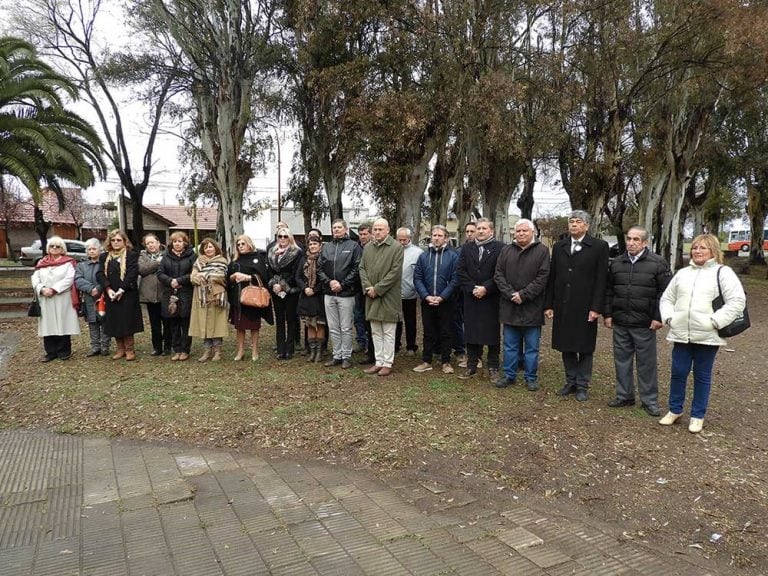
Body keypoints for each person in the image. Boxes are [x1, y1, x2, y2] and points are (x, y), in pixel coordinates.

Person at [658, 234, 746, 433]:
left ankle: (697, 415)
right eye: (695, 248)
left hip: (707, 335)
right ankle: (675, 409)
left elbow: (737, 301)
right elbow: (666, 299)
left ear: (713, 251)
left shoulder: (723, 273)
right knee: (678, 372)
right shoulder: (682, 273)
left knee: (702, 375)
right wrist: (670, 318)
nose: (697, 251)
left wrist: (716, 321)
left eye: (703, 248)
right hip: (681, 333)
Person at [604, 226, 671, 416]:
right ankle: (624, 395)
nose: (631, 243)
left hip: (644, 323)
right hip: (621, 322)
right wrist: (608, 314)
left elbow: (665, 293)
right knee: (622, 361)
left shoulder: (658, 263)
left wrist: (659, 317)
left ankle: (649, 400)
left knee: (646, 363)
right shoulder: (617, 263)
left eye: (636, 240)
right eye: (629, 239)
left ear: (645, 243)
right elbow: (609, 291)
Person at [544, 210, 609, 401]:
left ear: (586, 226)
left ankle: (582, 385)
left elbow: (601, 280)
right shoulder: (559, 246)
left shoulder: (599, 246)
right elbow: (552, 277)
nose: (573, 224)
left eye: (578, 222)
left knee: (585, 346)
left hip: (585, 305)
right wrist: (549, 304)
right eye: (571, 221)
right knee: (567, 345)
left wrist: (596, 307)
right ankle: (570, 381)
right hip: (563, 304)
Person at [494, 219, 550, 390]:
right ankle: (509, 375)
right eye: (518, 231)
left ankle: (530, 377)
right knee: (510, 345)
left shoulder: (542, 251)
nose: (521, 234)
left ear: (532, 232)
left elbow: (542, 277)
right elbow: (498, 275)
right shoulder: (506, 250)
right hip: (509, 306)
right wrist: (511, 294)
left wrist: (524, 295)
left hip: (531, 308)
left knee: (532, 347)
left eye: (525, 231)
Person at [456, 218, 503, 381]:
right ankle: (472, 365)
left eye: (484, 228)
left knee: (491, 334)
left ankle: (493, 366)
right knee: (471, 332)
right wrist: (473, 288)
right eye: (478, 228)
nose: (480, 231)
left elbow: (500, 273)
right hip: (471, 297)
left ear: (491, 231)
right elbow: (461, 271)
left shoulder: (500, 248)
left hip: (491, 298)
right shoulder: (467, 248)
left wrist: (486, 288)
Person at [359, 218, 404, 377]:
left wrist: (377, 289)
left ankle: (387, 362)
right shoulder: (368, 248)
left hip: (388, 296)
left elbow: (395, 273)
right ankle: (378, 362)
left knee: (389, 331)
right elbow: (362, 268)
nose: (377, 232)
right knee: (375, 331)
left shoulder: (397, 247)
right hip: (371, 295)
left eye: (380, 229)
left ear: (388, 230)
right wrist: (368, 287)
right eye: (375, 229)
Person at [413, 225, 459, 374]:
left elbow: (455, 279)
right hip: (427, 301)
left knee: (446, 332)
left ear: (446, 238)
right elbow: (418, 277)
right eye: (434, 235)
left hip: (445, 301)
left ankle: (446, 361)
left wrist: (442, 297)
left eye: (440, 235)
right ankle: (426, 360)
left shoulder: (453, 256)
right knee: (428, 332)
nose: (436, 238)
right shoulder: (424, 256)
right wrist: (426, 296)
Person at [318, 219, 362, 369]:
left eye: (339, 227)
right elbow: (319, 268)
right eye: (334, 227)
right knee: (333, 327)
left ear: (346, 229)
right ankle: (336, 355)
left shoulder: (354, 246)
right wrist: (330, 282)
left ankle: (346, 356)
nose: (336, 230)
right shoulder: (326, 247)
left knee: (345, 327)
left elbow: (356, 268)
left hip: (346, 294)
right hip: (329, 293)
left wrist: (342, 284)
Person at [31, 236, 81, 361]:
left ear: (62, 248)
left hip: (62, 297)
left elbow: (69, 279)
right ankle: (50, 352)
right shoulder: (42, 262)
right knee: (48, 324)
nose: (54, 248)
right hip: (46, 298)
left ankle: (64, 350)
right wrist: (42, 289)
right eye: (52, 246)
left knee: (62, 322)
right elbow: (35, 278)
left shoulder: (68, 262)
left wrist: (54, 289)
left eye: (57, 246)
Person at [97, 229, 144, 361]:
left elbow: (132, 274)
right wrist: (108, 289)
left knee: (127, 322)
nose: (116, 242)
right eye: (113, 240)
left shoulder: (131, 255)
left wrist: (121, 290)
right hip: (110, 294)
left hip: (127, 294)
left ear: (124, 241)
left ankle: (129, 349)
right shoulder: (104, 257)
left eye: (119, 240)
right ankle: (120, 349)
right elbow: (100, 274)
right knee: (115, 322)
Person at [228, 234, 273, 361]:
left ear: (249, 244)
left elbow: (264, 277)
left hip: (252, 298)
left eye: (243, 244)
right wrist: (232, 277)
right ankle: (240, 351)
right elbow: (228, 277)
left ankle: (254, 351)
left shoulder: (257, 258)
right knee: (240, 326)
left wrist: (248, 277)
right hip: (238, 297)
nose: (240, 246)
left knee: (254, 325)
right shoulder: (235, 260)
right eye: (238, 244)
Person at [157, 231, 196, 361]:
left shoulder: (192, 256)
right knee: (173, 322)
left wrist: (179, 280)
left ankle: (185, 350)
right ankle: (177, 349)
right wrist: (170, 281)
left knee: (185, 322)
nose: (177, 244)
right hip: (170, 293)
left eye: (179, 241)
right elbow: (160, 273)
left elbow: (194, 273)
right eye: (174, 241)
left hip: (186, 293)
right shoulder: (166, 256)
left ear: (185, 243)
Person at [189, 238, 230, 362]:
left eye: (211, 247)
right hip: (201, 296)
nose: (208, 249)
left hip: (216, 295)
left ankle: (217, 351)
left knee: (216, 322)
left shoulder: (222, 261)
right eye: (206, 247)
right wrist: (196, 278)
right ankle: (207, 350)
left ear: (216, 248)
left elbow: (221, 276)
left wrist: (204, 275)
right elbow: (193, 277)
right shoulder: (198, 261)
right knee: (204, 322)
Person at [268, 227, 303, 360]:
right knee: (280, 320)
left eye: (285, 236)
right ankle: (280, 348)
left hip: (291, 290)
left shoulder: (296, 252)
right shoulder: (272, 251)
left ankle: (289, 349)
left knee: (291, 319)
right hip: (275, 290)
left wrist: (283, 285)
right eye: (280, 236)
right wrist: (275, 284)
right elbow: (270, 271)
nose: (282, 239)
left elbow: (296, 272)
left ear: (290, 238)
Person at [75, 238, 110, 357]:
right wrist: (91, 289)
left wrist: (99, 288)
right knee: (92, 322)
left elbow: (107, 277)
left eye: (94, 249)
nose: (92, 251)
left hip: (103, 297)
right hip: (89, 298)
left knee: (105, 321)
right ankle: (95, 347)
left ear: (99, 250)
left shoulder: (105, 263)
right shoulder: (81, 265)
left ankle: (105, 346)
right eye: (89, 249)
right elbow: (78, 280)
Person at [138, 233, 171, 356]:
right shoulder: (143, 255)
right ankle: (157, 347)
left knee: (167, 321)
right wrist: (157, 263)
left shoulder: (167, 254)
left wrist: (152, 266)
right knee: (154, 323)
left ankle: (168, 346)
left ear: (158, 242)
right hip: (149, 294)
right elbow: (142, 270)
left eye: (152, 242)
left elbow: (168, 268)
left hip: (164, 292)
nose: (150, 245)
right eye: (148, 243)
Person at [296, 231, 326, 362]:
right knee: (309, 324)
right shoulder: (304, 259)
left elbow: (325, 277)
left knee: (319, 324)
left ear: (320, 245)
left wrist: (315, 289)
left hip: (318, 297)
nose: (313, 246)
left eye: (315, 243)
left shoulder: (323, 259)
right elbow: (297, 276)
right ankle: (312, 351)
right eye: (310, 244)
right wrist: (305, 288)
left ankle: (319, 352)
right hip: (306, 296)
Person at [394, 227, 422, 355]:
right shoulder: (393, 250)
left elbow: (420, 273)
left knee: (410, 321)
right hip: (394, 294)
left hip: (410, 293)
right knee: (395, 321)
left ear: (409, 238)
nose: (402, 242)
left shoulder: (418, 252)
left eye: (404, 239)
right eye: (400, 239)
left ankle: (411, 346)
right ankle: (395, 345)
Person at [453, 221, 476, 367]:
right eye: (467, 231)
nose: (469, 234)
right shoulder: (459, 250)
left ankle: (474, 354)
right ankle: (460, 350)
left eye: (471, 231)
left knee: (472, 324)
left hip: (475, 292)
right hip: (459, 292)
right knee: (457, 322)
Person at [354, 221, 372, 357]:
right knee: (358, 315)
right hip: (357, 287)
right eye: (360, 234)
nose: (363, 236)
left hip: (370, 287)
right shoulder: (356, 248)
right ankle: (361, 341)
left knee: (369, 318)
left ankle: (370, 345)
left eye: (365, 234)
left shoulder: (373, 248)